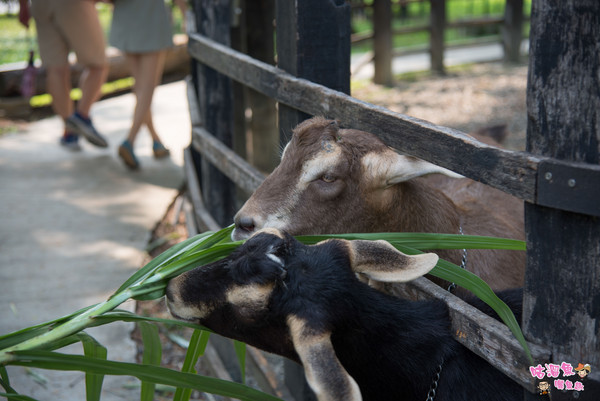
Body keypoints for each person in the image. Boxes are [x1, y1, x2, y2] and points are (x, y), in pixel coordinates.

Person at [19, 0, 109, 151]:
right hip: (72, 4)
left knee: (56, 70)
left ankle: (69, 132)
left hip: (40, 5)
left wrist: (23, 6)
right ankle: (80, 118)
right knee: (98, 65)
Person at [110, 0, 185, 169]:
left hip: (125, 14)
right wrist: (185, 13)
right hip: (150, 15)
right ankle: (130, 140)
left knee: (141, 87)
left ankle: (156, 140)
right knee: (148, 86)